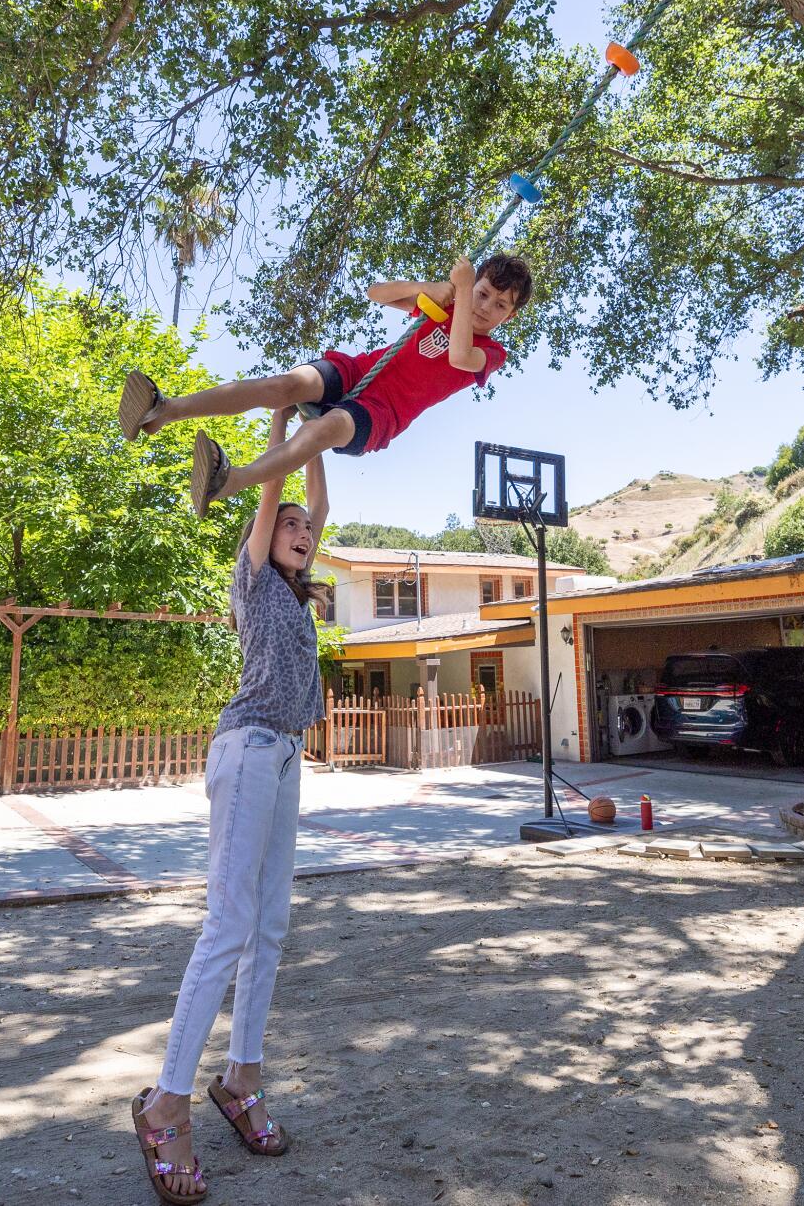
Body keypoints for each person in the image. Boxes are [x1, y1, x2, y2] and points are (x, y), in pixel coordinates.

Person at [130, 406, 330, 1203]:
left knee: (270, 928)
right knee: (229, 924)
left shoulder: (302, 595)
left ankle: (241, 1078)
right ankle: (165, 1102)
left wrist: (325, 435)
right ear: (264, 534)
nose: (298, 531)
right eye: (285, 526)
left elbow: (318, 501)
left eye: (304, 532)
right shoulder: (251, 579)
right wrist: (285, 416)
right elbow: (277, 489)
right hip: (246, 745)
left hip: (285, 752)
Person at [119, 253, 532, 517]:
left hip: (380, 413)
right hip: (356, 372)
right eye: (481, 294)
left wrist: (460, 291)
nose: (483, 307)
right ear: (474, 286)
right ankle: (163, 410)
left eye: (499, 305)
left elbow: (459, 355)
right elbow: (377, 293)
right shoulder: (446, 304)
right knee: (282, 386)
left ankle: (229, 480)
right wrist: (425, 289)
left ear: (509, 317)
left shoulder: (491, 352)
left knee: (317, 431)